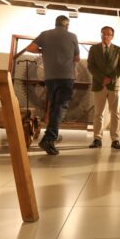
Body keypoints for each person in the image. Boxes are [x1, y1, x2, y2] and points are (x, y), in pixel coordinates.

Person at [21, 15, 79, 155]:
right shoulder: (72, 36)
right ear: (67, 25)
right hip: (66, 77)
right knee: (61, 107)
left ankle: (51, 138)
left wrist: (43, 50)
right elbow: (77, 58)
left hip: (50, 77)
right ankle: (49, 138)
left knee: (54, 107)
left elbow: (30, 47)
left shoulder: (45, 34)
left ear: (55, 23)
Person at [87, 26, 120, 149]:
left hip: (114, 86)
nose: (105, 36)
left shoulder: (118, 50)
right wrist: (102, 79)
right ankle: (97, 138)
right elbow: (91, 66)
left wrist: (111, 79)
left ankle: (115, 139)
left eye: (108, 34)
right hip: (99, 85)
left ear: (112, 36)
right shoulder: (94, 49)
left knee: (115, 113)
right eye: (103, 34)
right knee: (98, 113)